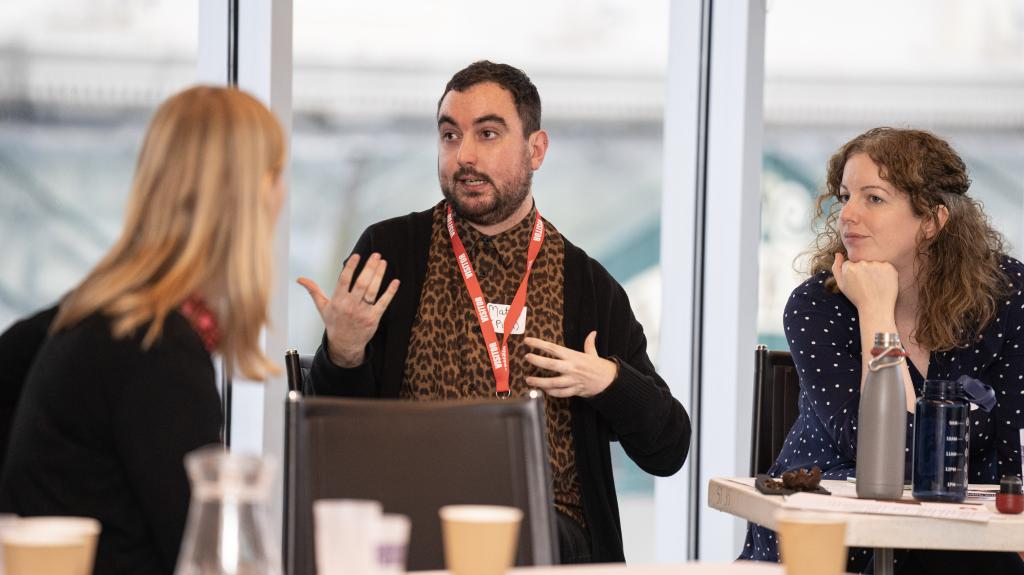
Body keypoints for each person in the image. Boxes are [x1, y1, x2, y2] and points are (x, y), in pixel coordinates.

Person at [298, 60, 691, 564]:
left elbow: (668, 451)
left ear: (536, 150)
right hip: (416, 516)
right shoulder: (391, 253)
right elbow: (331, 441)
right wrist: (344, 352)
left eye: (487, 134)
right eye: (449, 135)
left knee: (520, 540)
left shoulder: (590, 288)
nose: (464, 155)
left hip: (549, 528)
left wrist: (610, 381)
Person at [0, 86, 286, 575]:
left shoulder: (89, 319)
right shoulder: (156, 349)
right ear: (255, 194)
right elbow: (210, 558)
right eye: (279, 175)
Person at [740, 127, 1024, 574]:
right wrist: (876, 312)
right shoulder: (818, 305)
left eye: (873, 198)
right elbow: (891, 463)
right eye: (844, 197)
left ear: (932, 220)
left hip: (960, 536)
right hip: (833, 537)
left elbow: (1013, 453)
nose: (847, 215)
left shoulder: (1007, 296)